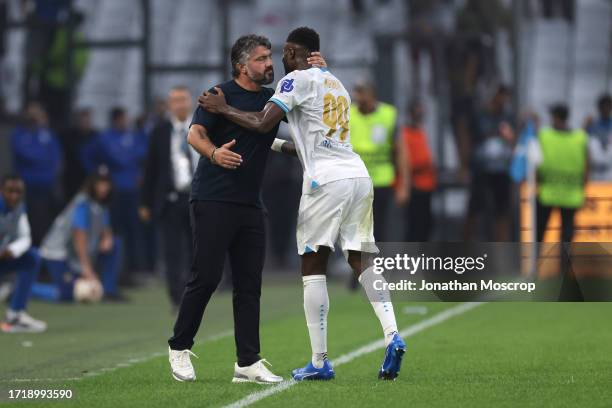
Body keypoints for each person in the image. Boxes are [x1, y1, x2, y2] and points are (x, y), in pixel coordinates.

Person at [199, 27, 406, 381]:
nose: (279, 60)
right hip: (357, 175)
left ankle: (320, 360)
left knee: (313, 266)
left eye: (283, 54)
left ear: (295, 52)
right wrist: (275, 145)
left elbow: (263, 124)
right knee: (362, 260)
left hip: (324, 181)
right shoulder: (336, 83)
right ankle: (393, 334)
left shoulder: (294, 81)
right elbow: (298, 143)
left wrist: (224, 108)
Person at [166, 34, 327, 384]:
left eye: (270, 57)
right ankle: (179, 347)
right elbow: (194, 135)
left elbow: (268, 135)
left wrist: (320, 76)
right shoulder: (218, 95)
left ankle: (247, 362)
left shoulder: (272, 98)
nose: (269, 63)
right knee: (206, 278)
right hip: (212, 198)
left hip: (250, 204)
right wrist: (213, 153)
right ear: (242, 66)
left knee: (249, 285)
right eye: (261, 58)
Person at [140, 86, 198, 309]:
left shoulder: (203, 126)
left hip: (198, 197)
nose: (179, 104)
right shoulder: (160, 131)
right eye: (174, 100)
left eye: (183, 99)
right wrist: (145, 202)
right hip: (170, 200)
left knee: (198, 251)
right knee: (172, 252)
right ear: (169, 104)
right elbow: (151, 169)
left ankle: (196, 295)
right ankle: (177, 298)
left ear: (190, 101)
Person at [33, 169, 123, 302]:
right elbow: (78, 238)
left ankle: (109, 291)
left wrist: (107, 238)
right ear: (92, 184)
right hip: (58, 254)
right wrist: (87, 269)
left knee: (114, 243)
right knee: (66, 295)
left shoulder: (101, 204)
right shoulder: (82, 203)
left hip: (75, 255)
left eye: (106, 183)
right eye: (99, 183)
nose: (103, 188)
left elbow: (106, 229)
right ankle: (22, 288)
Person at [82, 107, 148, 281]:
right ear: (116, 119)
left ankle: (134, 270)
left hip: (133, 190)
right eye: (123, 118)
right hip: (114, 191)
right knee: (113, 230)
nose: (125, 121)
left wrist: (141, 172)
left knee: (133, 229)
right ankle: (114, 271)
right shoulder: (104, 138)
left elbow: (144, 155)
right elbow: (87, 156)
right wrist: (98, 174)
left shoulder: (133, 136)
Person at [350, 81, 409, 242]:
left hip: (381, 181)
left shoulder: (388, 115)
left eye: (361, 92)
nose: (357, 97)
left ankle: (376, 262)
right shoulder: (348, 115)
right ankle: (357, 262)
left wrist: (403, 185)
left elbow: (401, 152)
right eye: (356, 92)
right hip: (356, 181)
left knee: (379, 227)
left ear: (372, 94)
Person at [464, 85, 515, 241]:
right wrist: (465, 166)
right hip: (482, 169)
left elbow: (514, 141)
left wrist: (510, 137)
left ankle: (501, 251)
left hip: (501, 170)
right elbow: (469, 139)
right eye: (502, 96)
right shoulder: (480, 115)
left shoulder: (508, 117)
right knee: (475, 209)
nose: (504, 101)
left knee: (502, 211)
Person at [10, 101, 62, 245]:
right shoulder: (19, 134)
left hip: (46, 187)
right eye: (31, 112)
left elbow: (55, 157)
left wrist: (44, 160)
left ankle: (42, 258)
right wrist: (42, 157)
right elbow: (26, 155)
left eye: (36, 112)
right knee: (25, 223)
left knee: (44, 223)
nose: (33, 116)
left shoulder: (47, 134)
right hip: (26, 187)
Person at [0, 174, 47, 333]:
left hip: (3, 258)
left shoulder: (19, 208)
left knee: (32, 257)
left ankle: (15, 314)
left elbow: (25, 237)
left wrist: (12, 250)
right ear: (1, 191)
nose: (14, 195)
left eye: (18, 191)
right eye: (10, 191)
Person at [536, 104, 588, 243]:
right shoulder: (580, 138)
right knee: (567, 234)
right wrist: (583, 187)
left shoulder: (544, 135)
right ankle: (564, 265)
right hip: (571, 193)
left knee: (539, 232)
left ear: (556, 117)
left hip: (548, 192)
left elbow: (536, 163)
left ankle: (533, 263)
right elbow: (587, 165)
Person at [400, 100, 436, 241]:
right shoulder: (405, 134)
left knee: (427, 224)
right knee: (414, 224)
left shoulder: (422, 133)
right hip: (414, 185)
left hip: (427, 185)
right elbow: (408, 161)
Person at [59, 108, 97, 204]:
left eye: (87, 121)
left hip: (90, 178)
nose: (84, 123)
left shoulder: (95, 136)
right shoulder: (68, 136)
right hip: (72, 178)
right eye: (82, 120)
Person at [584, 94, 612, 181]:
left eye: (608, 107)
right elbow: (584, 142)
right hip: (594, 170)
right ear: (599, 108)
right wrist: (585, 126)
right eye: (603, 107)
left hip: (609, 169)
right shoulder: (592, 124)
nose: (605, 109)